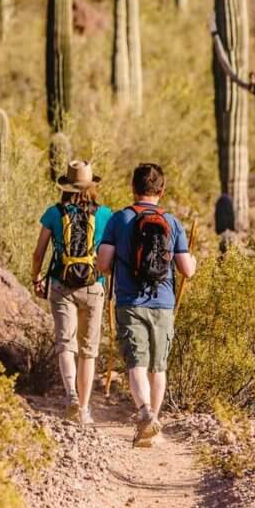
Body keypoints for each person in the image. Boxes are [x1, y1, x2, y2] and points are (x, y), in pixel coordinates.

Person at [97, 163, 196, 447]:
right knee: (158, 366)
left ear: (133, 188)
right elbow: (186, 269)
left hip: (129, 301)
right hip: (163, 303)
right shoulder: (173, 222)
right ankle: (152, 424)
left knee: (136, 364)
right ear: (161, 190)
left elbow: (103, 264)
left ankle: (144, 415)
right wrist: (194, 263)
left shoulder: (119, 220)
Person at [31, 161, 113, 425]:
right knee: (88, 351)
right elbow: (110, 253)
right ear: (92, 187)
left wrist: (36, 278)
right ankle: (85, 409)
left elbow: (39, 252)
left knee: (66, 343)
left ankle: (71, 398)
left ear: (65, 186)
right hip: (93, 285)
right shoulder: (105, 215)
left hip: (61, 284)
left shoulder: (53, 214)